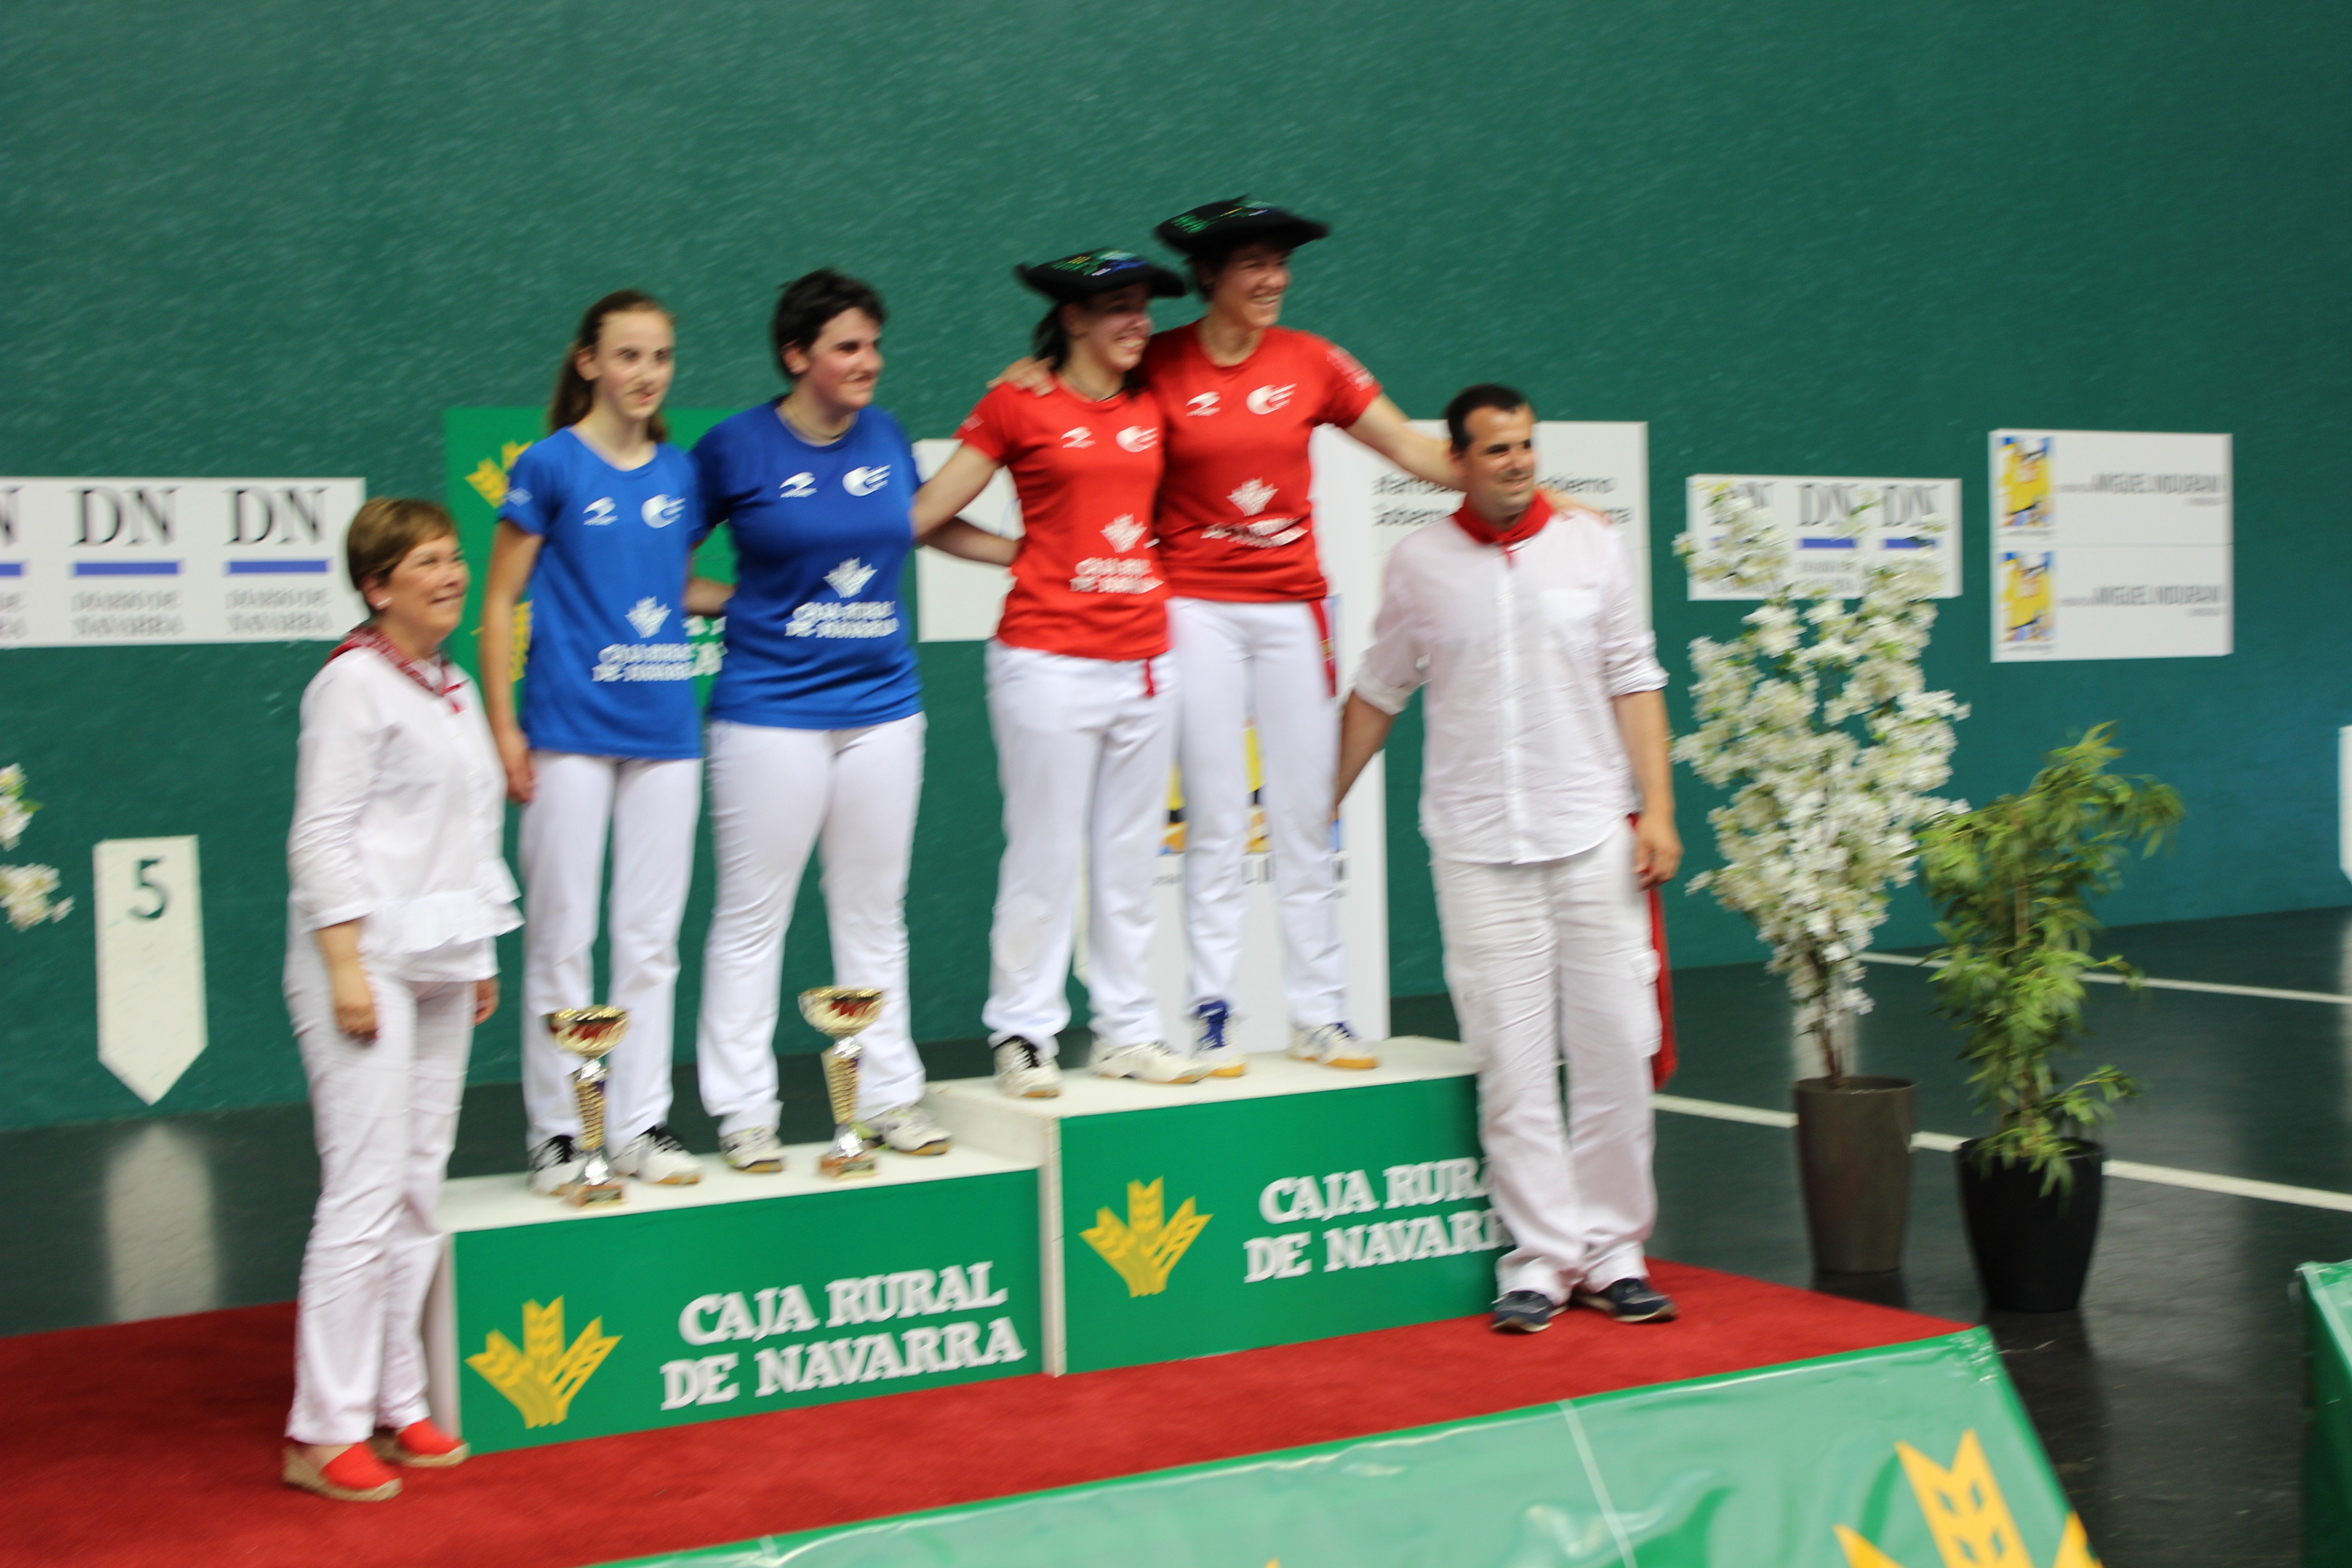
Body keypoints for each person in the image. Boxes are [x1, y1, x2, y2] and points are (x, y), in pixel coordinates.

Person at [1006, 198, 1463, 1074]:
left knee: (1304, 813)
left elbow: (1411, 448)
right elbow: (1077, 384)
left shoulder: (1315, 361)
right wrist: (1029, 371)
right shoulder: (1159, 358)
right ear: (1210, 277)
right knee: (1216, 816)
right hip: (1192, 609)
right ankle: (1213, 1011)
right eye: (1254, 264)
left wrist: (1527, 496)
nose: (1274, 280)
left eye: (1281, 264)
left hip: (1292, 611)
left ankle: (1319, 1012)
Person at [1334, 385, 1683, 1333]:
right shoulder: (1417, 565)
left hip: (1592, 839)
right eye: (1497, 450)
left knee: (1615, 1048)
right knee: (1513, 1061)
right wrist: (1317, 801)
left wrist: (1659, 811)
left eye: (1527, 446)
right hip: (1478, 849)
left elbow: (1636, 678)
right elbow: (1378, 690)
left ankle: (1615, 1253)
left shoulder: (1593, 547)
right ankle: (1537, 1260)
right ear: (1460, 459)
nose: (1518, 463)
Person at [915, 249, 1207, 1096]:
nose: (1137, 322)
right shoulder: (1019, 401)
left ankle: (1126, 1029)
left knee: (1128, 860)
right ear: (1073, 319)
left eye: (1144, 308)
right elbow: (928, 515)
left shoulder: (1156, 401)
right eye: (1117, 307)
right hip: (1045, 659)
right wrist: (1020, 553)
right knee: (1044, 855)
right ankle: (1023, 1033)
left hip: (1147, 660)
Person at [686, 269, 947, 1170]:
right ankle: (745, 1112)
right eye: (847, 347)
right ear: (798, 356)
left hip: (883, 709)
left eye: (873, 345)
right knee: (753, 916)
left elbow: (920, 527)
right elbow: (655, 562)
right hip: (770, 712)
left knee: (876, 912)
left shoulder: (885, 436)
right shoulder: (733, 449)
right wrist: (739, 608)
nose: (869, 362)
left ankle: (888, 1098)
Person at [282, 499, 518, 1500]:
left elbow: (465, 834)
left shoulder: (455, 685)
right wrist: (343, 966)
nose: (455, 574)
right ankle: (319, 1429)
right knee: (364, 1189)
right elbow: (321, 836)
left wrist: (477, 953)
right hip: (362, 961)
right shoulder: (350, 687)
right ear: (380, 587)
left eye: (457, 558)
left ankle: (397, 1402)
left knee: (421, 1180)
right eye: (429, 562)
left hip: (439, 959)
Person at [480, 291, 710, 1198]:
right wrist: (503, 725)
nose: (646, 374)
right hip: (568, 731)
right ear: (588, 364)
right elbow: (498, 600)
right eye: (627, 357)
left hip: (665, 733)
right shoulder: (547, 467)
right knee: (563, 936)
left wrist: (771, 606)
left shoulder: (682, 473)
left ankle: (641, 1123)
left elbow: (676, 587)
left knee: (650, 942)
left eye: (659, 357)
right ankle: (558, 1137)